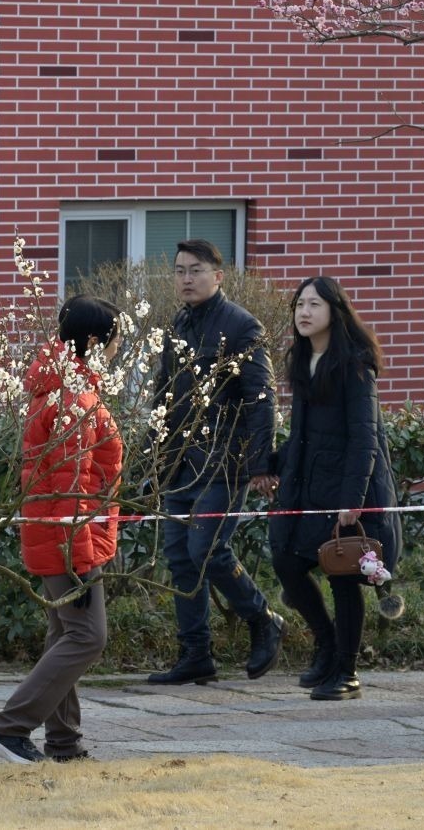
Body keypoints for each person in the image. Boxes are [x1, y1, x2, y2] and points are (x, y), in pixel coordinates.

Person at [0, 296, 127, 763]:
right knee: (87, 636)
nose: (117, 349)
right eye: (114, 340)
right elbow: (71, 493)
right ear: (91, 341)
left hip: (60, 533)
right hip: (68, 537)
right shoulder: (72, 399)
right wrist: (79, 560)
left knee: (65, 633)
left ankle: (63, 741)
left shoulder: (62, 389)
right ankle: (8, 728)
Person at [146, 240, 284, 684]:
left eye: (196, 270)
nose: (187, 278)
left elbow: (261, 399)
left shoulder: (242, 326)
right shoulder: (178, 324)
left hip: (225, 462)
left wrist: (262, 462)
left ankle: (263, 619)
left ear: (218, 276)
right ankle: (195, 654)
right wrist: (152, 457)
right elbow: (164, 396)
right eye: (180, 270)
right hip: (180, 463)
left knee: (206, 549)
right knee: (179, 558)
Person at [258, 277, 401, 702]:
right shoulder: (304, 361)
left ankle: (347, 670)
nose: (304, 312)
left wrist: (351, 502)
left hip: (347, 493)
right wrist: (268, 465)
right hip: (307, 489)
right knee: (286, 560)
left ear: (334, 311)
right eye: (299, 304)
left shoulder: (355, 365)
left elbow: (365, 439)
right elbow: (303, 436)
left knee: (343, 576)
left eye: (314, 304)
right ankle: (325, 646)